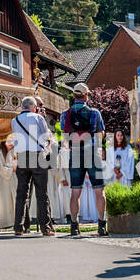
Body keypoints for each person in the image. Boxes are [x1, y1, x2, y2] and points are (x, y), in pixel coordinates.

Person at [61, 84, 108, 235]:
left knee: (75, 192)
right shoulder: (94, 113)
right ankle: (101, 225)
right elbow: (101, 134)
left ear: (74, 96)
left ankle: (74, 226)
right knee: (99, 191)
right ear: (86, 95)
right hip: (92, 152)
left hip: (75, 154)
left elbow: (65, 135)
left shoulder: (65, 114)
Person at [11, 96, 53, 235]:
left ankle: (19, 226)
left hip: (22, 156)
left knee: (22, 193)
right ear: (34, 107)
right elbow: (47, 136)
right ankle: (45, 227)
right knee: (42, 193)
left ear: (23, 106)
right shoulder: (38, 118)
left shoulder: (14, 120)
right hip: (36, 155)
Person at [0, 140, 17, 230]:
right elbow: (0, 168)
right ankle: (8, 222)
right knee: (6, 200)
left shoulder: (15, 152)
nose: (11, 143)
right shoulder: (0, 154)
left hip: (15, 179)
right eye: (8, 141)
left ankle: (17, 220)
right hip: (5, 180)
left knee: (16, 199)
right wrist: (12, 169)